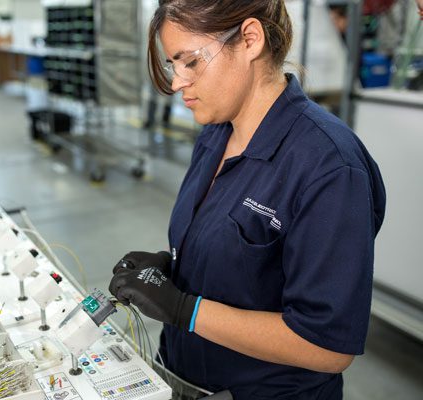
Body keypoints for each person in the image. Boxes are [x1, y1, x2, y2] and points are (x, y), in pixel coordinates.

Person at [108, 1, 386, 399]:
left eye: (190, 62)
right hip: (182, 379)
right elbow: (251, 263)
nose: (176, 83)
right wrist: (173, 268)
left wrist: (184, 308)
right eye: (173, 65)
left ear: (250, 40)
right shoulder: (217, 133)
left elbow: (328, 347)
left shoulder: (328, 166)